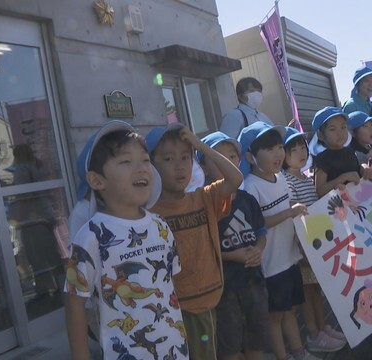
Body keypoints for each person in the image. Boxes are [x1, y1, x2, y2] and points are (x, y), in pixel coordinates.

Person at [64, 121, 188, 360]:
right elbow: (74, 304)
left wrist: (181, 336)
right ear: (97, 181)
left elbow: (170, 287)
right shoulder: (90, 236)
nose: (141, 168)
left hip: (174, 351)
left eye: (145, 160)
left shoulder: (161, 226)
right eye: (125, 162)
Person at [146, 124, 243, 359]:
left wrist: (201, 146)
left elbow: (235, 178)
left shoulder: (203, 197)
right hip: (173, 307)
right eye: (168, 159)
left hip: (210, 299)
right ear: (151, 166)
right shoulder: (148, 212)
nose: (179, 166)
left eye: (186, 158)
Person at [238, 122, 316, 360]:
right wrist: (289, 212)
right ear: (251, 156)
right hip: (270, 265)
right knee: (275, 316)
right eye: (270, 149)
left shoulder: (280, 178)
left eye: (280, 147)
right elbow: (256, 225)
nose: (278, 153)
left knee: (289, 310)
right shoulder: (250, 187)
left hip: (289, 257)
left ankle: (298, 352)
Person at [198, 132, 269, 360]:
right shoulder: (202, 202)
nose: (228, 162)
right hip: (224, 288)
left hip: (254, 280)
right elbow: (203, 247)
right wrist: (232, 256)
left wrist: (258, 249)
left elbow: (261, 232)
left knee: (257, 338)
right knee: (229, 345)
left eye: (232, 156)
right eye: (219, 158)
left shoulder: (247, 199)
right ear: (204, 167)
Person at [281, 127, 347, 353]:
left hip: (315, 243)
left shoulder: (305, 178)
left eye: (303, 148)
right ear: (283, 155)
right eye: (294, 149)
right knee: (307, 293)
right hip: (303, 247)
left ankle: (322, 327)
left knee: (317, 290)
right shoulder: (288, 180)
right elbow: (293, 212)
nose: (301, 153)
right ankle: (312, 333)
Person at [312, 107, 372, 197]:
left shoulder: (350, 151)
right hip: (340, 208)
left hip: (359, 201)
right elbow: (320, 191)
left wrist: (363, 168)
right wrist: (344, 177)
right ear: (320, 135)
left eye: (343, 127)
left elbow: (356, 171)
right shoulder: (322, 159)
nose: (340, 133)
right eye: (332, 129)